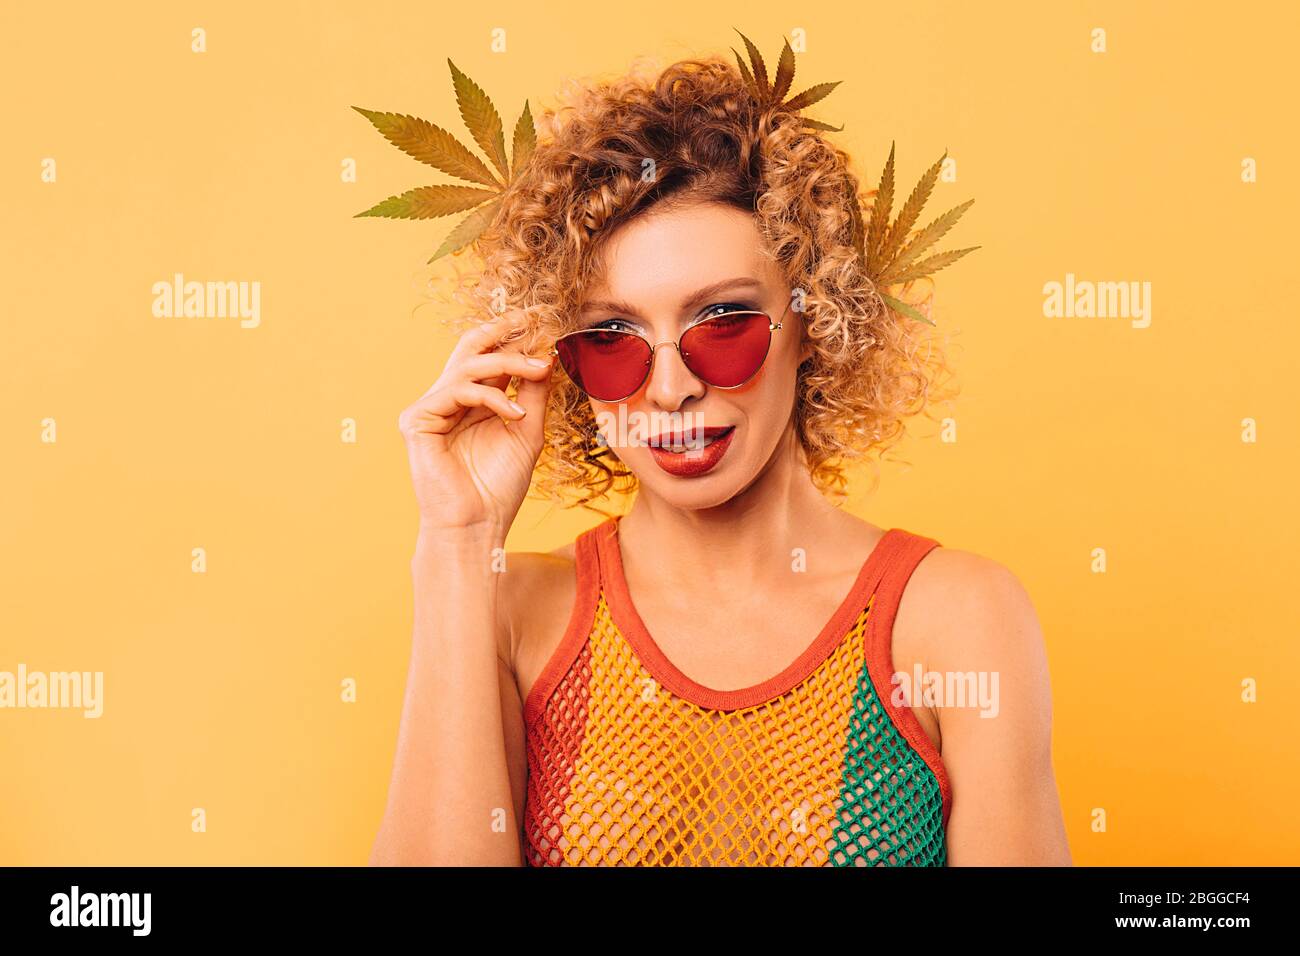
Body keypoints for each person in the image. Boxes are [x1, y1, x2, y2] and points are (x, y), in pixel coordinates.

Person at [369, 46, 1071, 866]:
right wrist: (458, 542)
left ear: (814, 318)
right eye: (610, 338)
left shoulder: (955, 620)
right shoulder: (514, 615)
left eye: (725, 323)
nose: (669, 389)